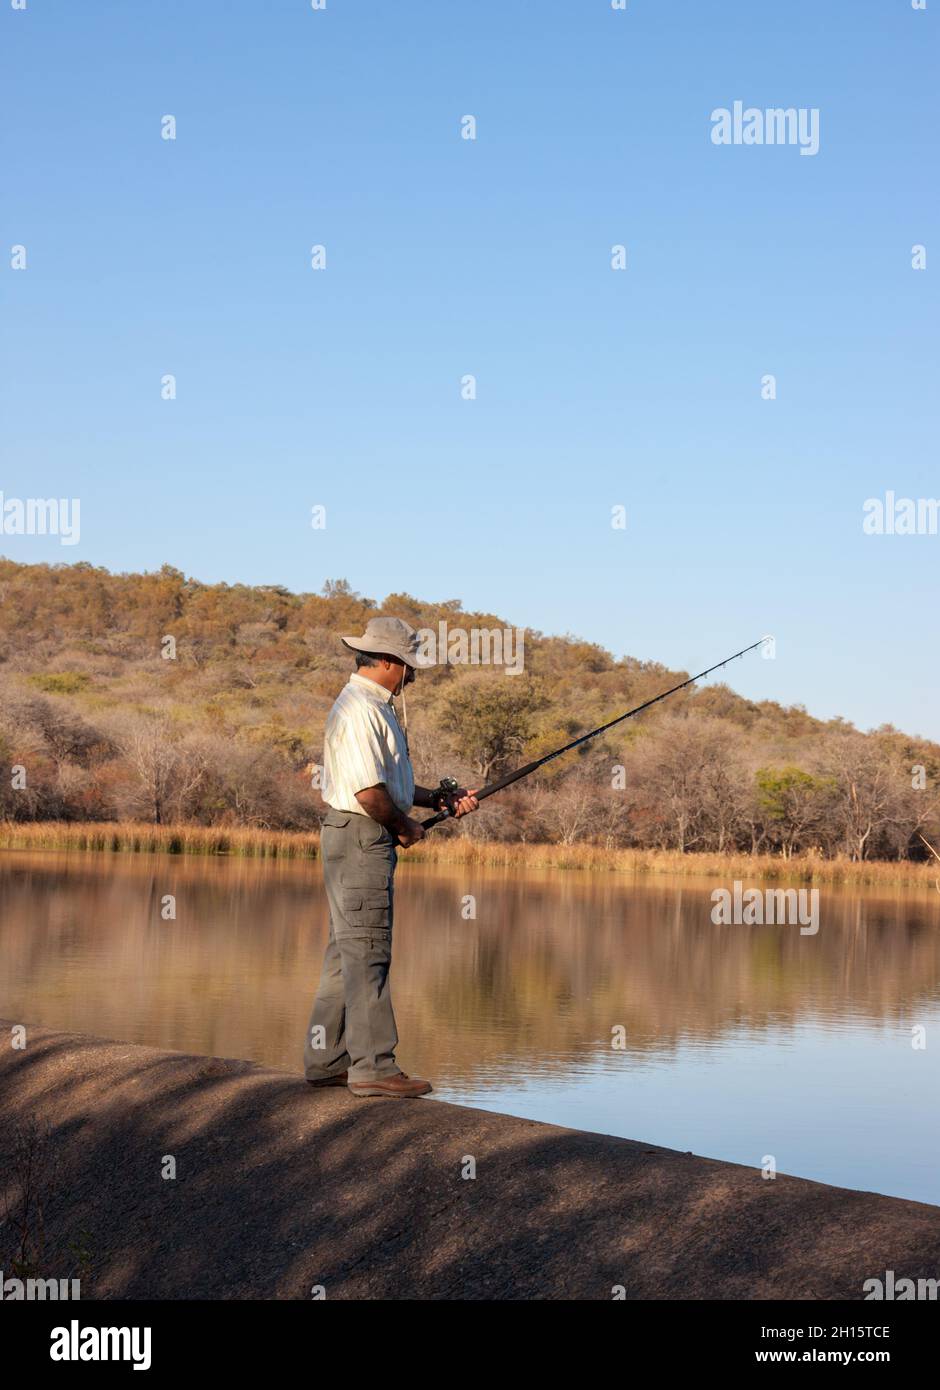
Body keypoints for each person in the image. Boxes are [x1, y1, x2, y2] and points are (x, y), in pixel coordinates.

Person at [304, 615, 478, 1097]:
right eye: (409, 667)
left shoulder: (370, 706)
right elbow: (368, 793)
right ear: (386, 662)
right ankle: (375, 1068)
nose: (413, 677)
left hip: (356, 835)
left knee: (346, 951)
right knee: (368, 952)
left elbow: (391, 786)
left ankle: (326, 1060)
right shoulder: (360, 709)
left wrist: (437, 800)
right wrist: (405, 828)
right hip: (362, 835)